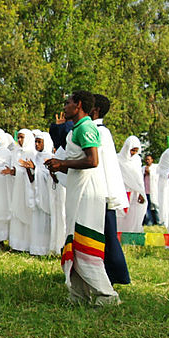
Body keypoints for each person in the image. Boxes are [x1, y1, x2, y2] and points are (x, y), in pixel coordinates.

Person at [46, 91, 120, 306]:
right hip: (78, 190)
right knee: (74, 240)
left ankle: (106, 295)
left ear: (78, 105)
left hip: (88, 192)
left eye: (68, 103)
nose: (65, 107)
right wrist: (58, 167)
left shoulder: (87, 128)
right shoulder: (77, 129)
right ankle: (78, 295)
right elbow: (77, 162)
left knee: (85, 240)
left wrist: (63, 164)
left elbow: (92, 160)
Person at [90, 94, 129, 286]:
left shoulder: (100, 132)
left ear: (95, 110)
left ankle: (114, 274)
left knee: (107, 235)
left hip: (102, 193)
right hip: (97, 192)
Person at [8, 129, 36, 253]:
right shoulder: (15, 152)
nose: (19, 140)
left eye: (22, 137)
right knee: (17, 213)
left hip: (29, 189)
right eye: (18, 137)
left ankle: (28, 245)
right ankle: (17, 244)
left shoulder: (33, 152)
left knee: (28, 214)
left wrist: (27, 169)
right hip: (17, 187)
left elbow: (35, 171)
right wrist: (13, 172)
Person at [116, 136, 147, 233]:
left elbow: (138, 177)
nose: (133, 153)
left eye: (136, 151)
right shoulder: (117, 159)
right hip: (121, 190)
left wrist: (141, 192)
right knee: (120, 214)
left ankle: (131, 233)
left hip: (134, 191)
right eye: (132, 150)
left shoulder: (137, 160)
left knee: (133, 214)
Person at [142, 154, 160, 226]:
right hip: (146, 191)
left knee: (156, 206)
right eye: (146, 159)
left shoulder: (156, 167)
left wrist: (150, 173)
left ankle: (158, 221)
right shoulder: (143, 168)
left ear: (152, 160)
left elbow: (158, 176)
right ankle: (149, 222)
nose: (147, 161)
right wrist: (144, 173)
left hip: (154, 190)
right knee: (147, 207)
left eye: (149, 159)